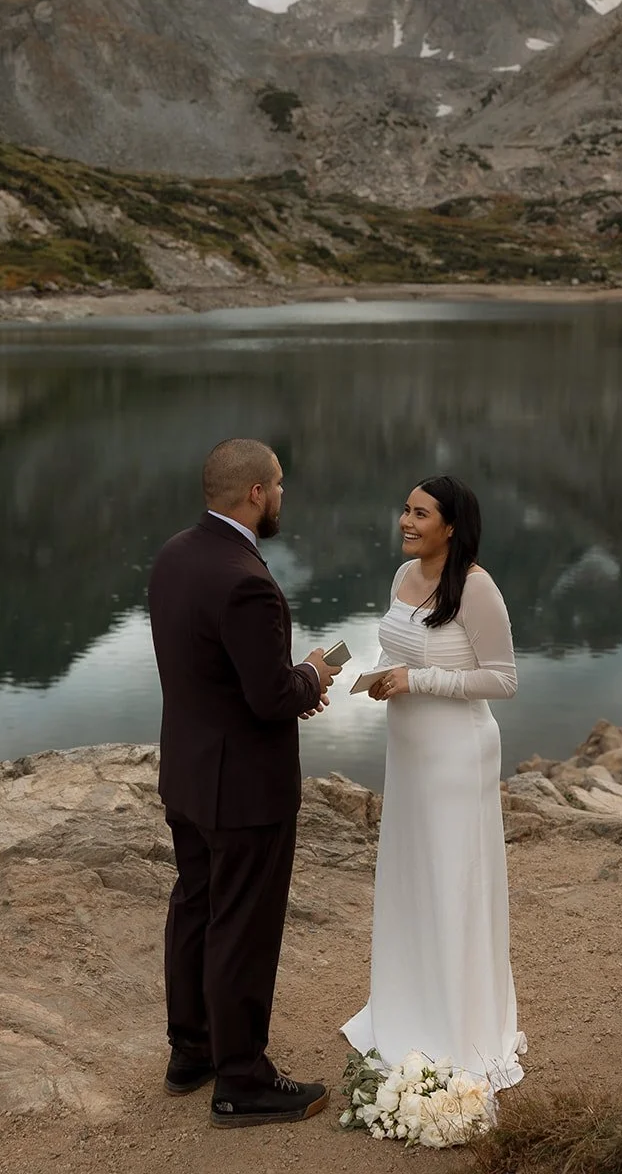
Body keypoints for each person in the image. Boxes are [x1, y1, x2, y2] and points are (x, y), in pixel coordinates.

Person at [148, 438, 342, 1128]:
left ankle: (191, 1052)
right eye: (279, 485)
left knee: (196, 910)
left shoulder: (175, 555)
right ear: (255, 493)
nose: (282, 495)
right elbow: (267, 696)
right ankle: (242, 1081)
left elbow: (216, 674)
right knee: (241, 929)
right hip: (245, 793)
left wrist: (287, 688)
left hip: (189, 776)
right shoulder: (245, 578)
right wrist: (312, 675)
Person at [342, 475, 527, 1090]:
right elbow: (403, 654)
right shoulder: (402, 579)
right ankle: (410, 1007)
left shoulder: (477, 589)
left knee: (453, 881)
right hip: (410, 754)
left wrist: (417, 682)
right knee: (413, 876)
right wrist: (371, 676)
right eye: (404, 509)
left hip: (457, 755)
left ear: (451, 526)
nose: (406, 521)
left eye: (420, 514)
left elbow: (502, 680)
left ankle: (460, 1025)